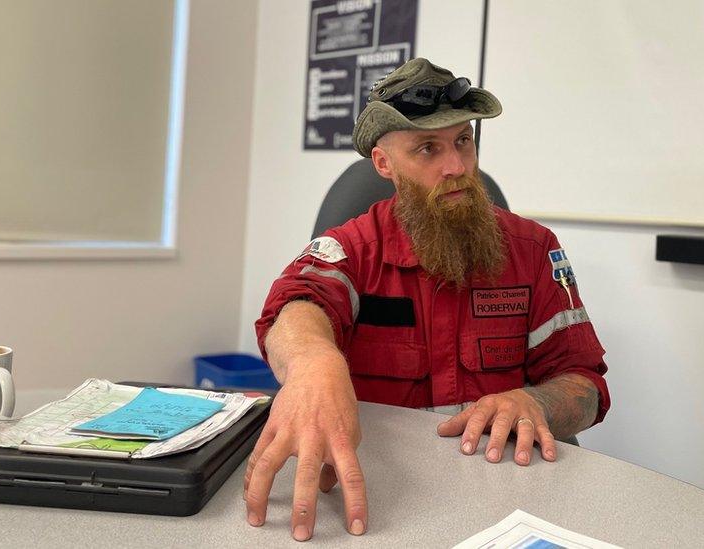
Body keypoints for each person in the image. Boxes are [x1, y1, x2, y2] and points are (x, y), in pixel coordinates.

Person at [243, 58, 611, 542]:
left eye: (463, 140)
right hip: (383, 492)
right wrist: (312, 361)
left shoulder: (534, 249)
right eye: (427, 149)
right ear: (384, 164)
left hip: (503, 491)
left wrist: (535, 401)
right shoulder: (353, 248)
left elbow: (585, 386)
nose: (456, 167)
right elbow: (297, 304)